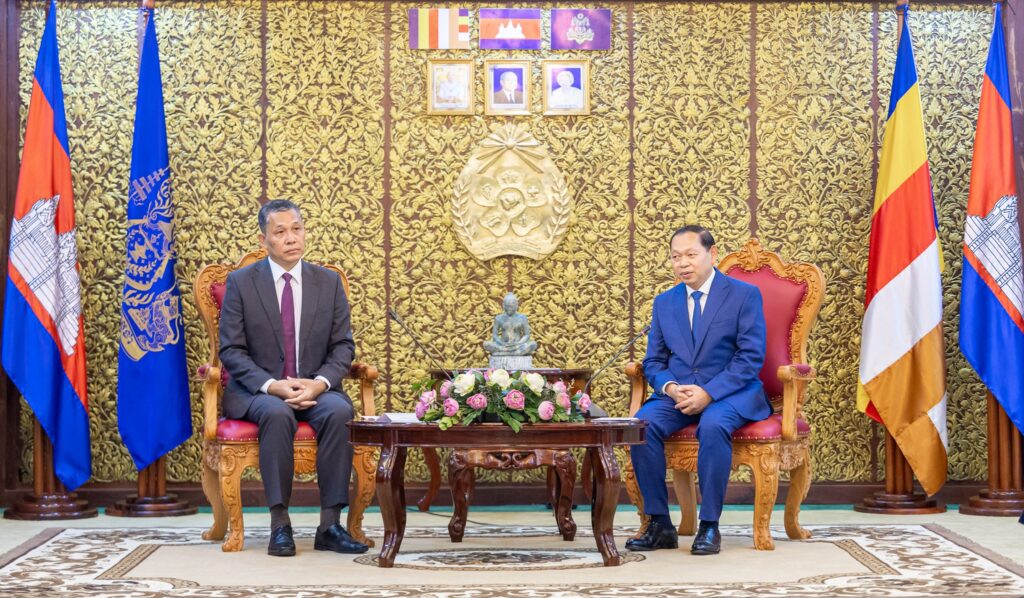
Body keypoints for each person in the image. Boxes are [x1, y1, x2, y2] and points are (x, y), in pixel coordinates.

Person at [219, 199, 368, 557]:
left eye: (296, 229)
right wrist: (273, 386)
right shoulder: (241, 283)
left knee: (339, 412)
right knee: (277, 413)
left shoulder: (328, 282)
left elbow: (343, 346)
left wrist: (319, 383)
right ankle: (280, 525)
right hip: (259, 391)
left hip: (315, 387)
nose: (291, 238)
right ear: (264, 240)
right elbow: (232, 350)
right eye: (280, 232)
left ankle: (330, 526)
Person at [626, 225, 770, 555]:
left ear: (712, 254)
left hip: (731, 392)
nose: (683, 263)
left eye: (691, 255)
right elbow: (654, 361)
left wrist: (709, 393)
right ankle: (659, 524)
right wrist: (671, 387)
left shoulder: (744, 295)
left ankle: (709, 525)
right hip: (678, 394)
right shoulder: (665, 302)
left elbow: (750, 357)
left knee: (714, 424)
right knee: (640, 426)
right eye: (676, 257)